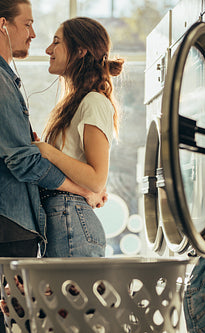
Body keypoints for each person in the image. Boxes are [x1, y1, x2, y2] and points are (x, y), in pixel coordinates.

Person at [0, 1, 104, 332]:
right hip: (4, 221)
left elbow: (22, 154)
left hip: (5, 220)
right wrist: (83, 188)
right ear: (3, 25)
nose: (34, 34)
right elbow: (23, 161)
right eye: (28, 24)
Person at [33, 17, 124, 257]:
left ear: (81, 50)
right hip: (64, 219)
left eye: (56, 42)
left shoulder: (93, 101)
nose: (48, 50)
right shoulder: (75, 103)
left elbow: (96, 179)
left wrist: (47, 151)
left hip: (71, 221)